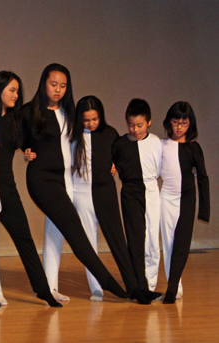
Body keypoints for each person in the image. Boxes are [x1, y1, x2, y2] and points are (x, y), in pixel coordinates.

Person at [22, 64, 128, 300]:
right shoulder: (30, 111)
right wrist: (26, 151)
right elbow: (18, 138)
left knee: (54, 232)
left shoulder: (70, 112)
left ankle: (48, 288)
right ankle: (106, 280)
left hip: (65, 180)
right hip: (42, 179)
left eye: (62, 85)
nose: (57, 90)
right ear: (43, 83)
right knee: (74, 228)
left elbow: (95, 137)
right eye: (53, 84)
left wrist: (112, 162)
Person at [0, 71, 61, 307]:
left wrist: (29, 151)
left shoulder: (16, 120)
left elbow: (25, 144)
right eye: (12, 90)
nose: (16, 95)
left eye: (18, 90)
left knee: (24, 237)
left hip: (6, 186)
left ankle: (43, 290)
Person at [70, 96, 150, 304]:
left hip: (106, 192)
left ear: (101, 116)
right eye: (86, 120)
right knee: (89, 243)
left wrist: (117, 166)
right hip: (82, 194)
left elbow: (122, 157)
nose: (91, 123)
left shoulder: (110, 134)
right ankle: (97, 289)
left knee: (118, 241)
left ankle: (134, 288)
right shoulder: (72, 137)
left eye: (95, 119)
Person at [112, 98, 162, 299]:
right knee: (135, 238)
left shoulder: (156, 142)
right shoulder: (120, 144)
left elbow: (160, 168)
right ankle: (137, 285)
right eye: (131, 125)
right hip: (130, 192)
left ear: (148, 122)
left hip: (151, 190)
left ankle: (150, 284)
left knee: (151, 237)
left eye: (139, 125)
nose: (135, 129)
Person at [160, 101, 209, 304]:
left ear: (190, 124)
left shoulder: (193, 148)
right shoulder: (160, 145)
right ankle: (176, 286)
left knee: (181, 243)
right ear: (169, 122)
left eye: (184, 123)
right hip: (166, 199)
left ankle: (171, 289)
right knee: (168, 243)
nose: (179, 127)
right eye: (175, 122)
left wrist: (204, 210)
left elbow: (203, 178)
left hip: (186, 200)